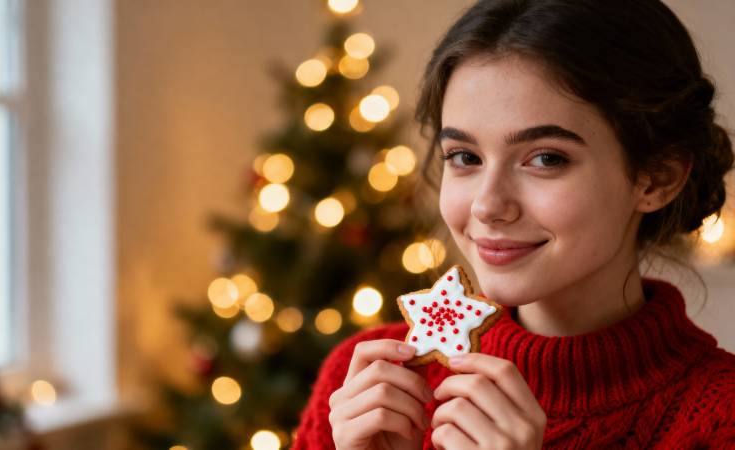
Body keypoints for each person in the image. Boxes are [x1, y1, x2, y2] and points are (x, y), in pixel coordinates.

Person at [291, 0, 735, 448]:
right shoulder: (363, 385)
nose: (488, 205)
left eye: (545, 158)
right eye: (465, 157)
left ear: (658, 177)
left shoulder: (721, 420)